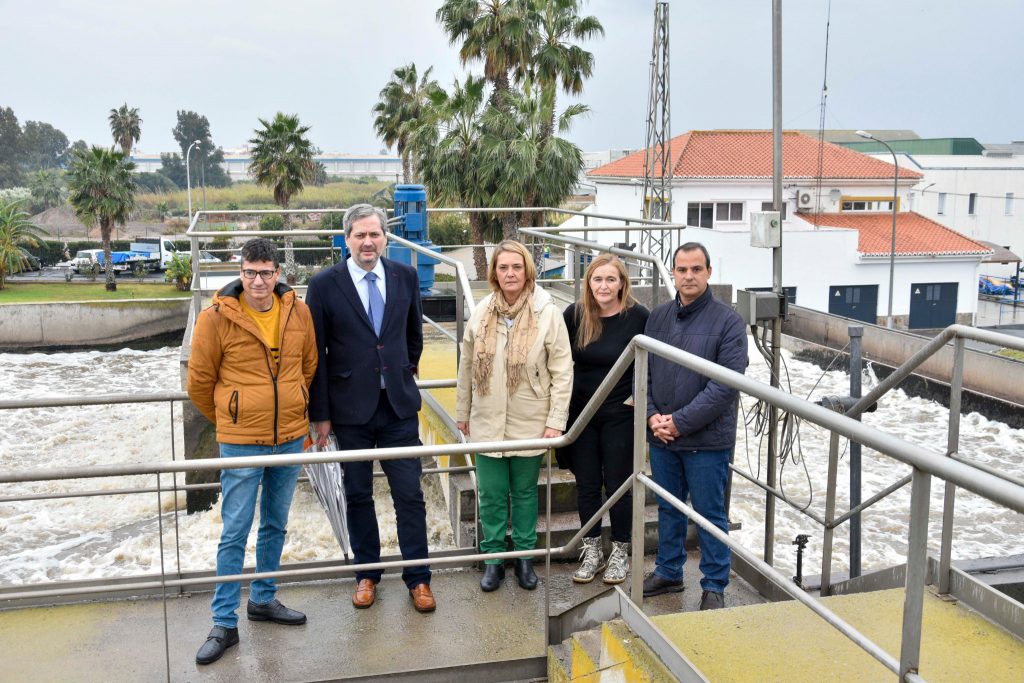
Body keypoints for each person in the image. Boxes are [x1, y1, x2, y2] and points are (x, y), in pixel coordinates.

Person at [187, 238, 318, 665]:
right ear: (240, 273)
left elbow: (309, 366)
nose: (257, 281)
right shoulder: (215, 318)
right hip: (241, 441)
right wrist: (233, 417)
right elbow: (199, 383)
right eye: (249, 272)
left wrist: (296, 404)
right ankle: (224, 622)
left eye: (264, 272)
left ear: (278, 273)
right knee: (235, 530)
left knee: (275, 523)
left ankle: (263, 598)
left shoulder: (298, 311)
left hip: (290, 436)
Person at [305, 204, 435, 614]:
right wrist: (320, 414)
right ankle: (366, 575)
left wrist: (401, 371)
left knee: (410, 494)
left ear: (384, 238)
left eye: (374, 234)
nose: (367, 242)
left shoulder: (404, 276)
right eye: (359, 235)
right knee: (358, 495)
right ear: (346, 239)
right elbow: (316, 355)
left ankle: (419, 578)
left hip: (398, 407)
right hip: (349, 411)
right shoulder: (324, 285)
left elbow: (414, 336)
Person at [456, 240, 573, 592]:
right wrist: (463, 411)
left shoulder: (547, 312)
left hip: (530, 420)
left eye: (517, 267)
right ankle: (493, 559)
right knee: (491, 494)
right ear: (494, 272)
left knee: (524, 493)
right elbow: (466, 367)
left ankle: (524, 558)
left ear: (528, 271)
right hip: (487, 420)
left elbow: (562, 370)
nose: (510, 273)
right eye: (503, 267)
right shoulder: (481, 312)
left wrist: (555, 420)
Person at [642, 242, 748, 611]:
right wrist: (651, 416)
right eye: (682, 269)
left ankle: (714, 585)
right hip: (663, 436)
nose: (689, 276)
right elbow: (644, 371)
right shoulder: (657, 318)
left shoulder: (729, 321)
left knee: (709, 514)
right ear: (673, 273)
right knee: (668, 508)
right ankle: (669, 571)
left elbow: (725, 386)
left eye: (696, 269)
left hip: (706, 441)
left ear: (708, 273)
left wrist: (679, 422)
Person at [562, 255, 649, 585]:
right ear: (588, 283)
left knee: (618, 486)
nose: (603, 286)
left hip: (620, 415)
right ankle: (593, 551)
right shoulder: (575, 315)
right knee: (586, 485)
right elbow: (558, 360)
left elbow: (651, 362)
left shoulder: (638, 317)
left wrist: (638, 399)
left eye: (611, 279)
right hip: (582, 415)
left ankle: (620, 552)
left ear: (622, 283)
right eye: (597, 279)